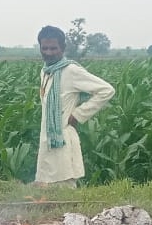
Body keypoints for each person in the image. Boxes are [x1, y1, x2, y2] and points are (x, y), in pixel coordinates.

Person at [35, 25, 115, 187]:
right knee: (44, 193)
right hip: (46, 140)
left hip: (63, 140)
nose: (49, 52)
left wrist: (79, 114)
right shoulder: (46, 71)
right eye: (45, 48)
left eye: (53, 48)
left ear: (63, 48)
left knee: (64, 188)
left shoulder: (71, 71)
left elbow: (106, 90)